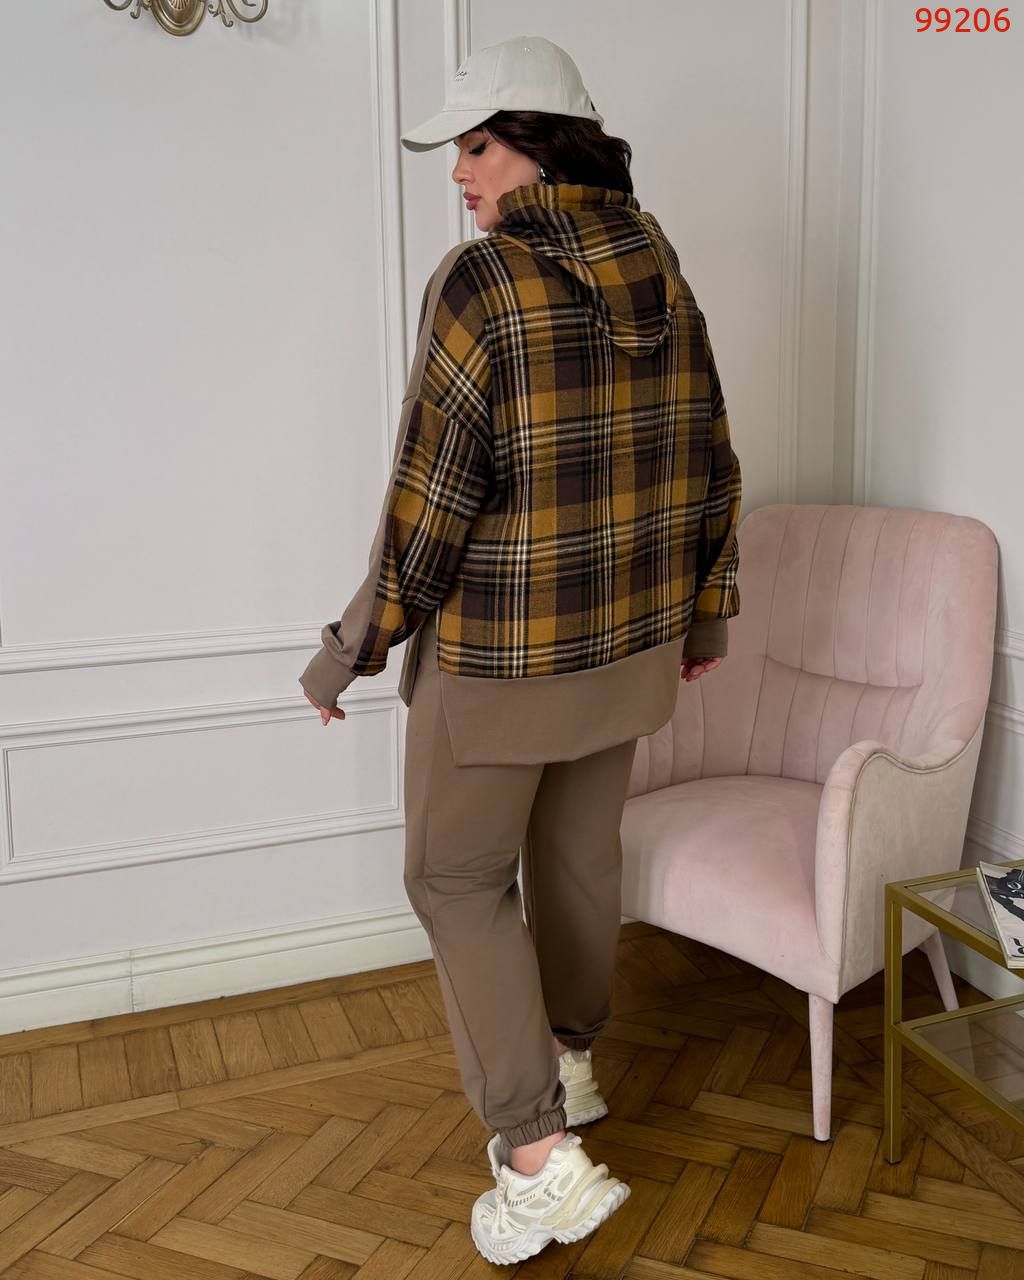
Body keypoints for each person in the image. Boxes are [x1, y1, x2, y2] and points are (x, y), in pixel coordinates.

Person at [298, 34, 742, 1267]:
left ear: (542, 145)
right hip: (632, 645)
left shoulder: (481, 279)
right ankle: (569, 1060)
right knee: (576, 860)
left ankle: (539, 1157)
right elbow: (710, 451)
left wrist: (349, 649)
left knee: (453, 879)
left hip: (500, 657)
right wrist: (704, 617)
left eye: (477, 146)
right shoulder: (661, 263)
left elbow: (430, 499)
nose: (459, 173)